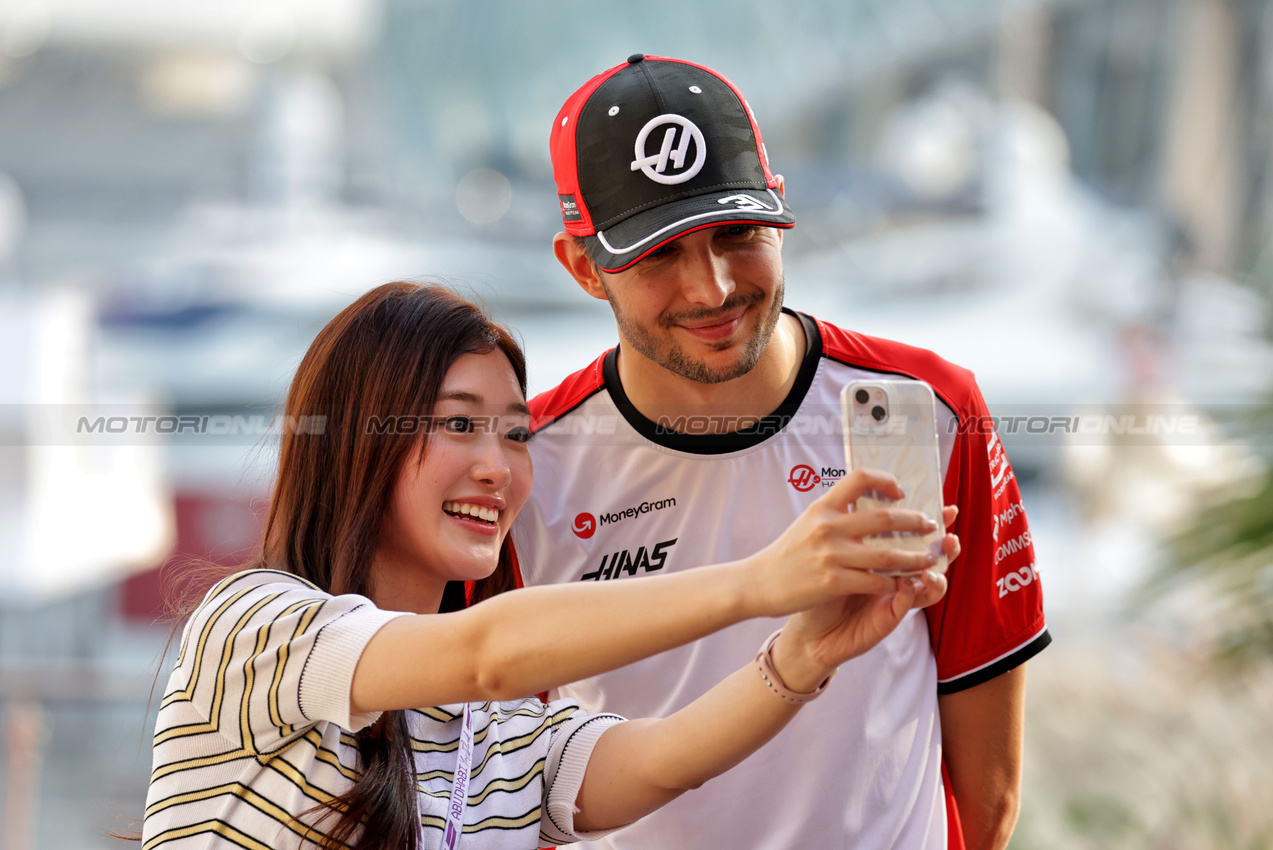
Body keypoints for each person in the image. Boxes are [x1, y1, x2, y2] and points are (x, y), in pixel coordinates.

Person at [141, 282, 955, 850]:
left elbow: (665, 758)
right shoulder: (250, 625)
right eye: (460, 426)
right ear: (358, 438)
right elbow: (487, 655)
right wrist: (757, 582)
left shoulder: (492, 735)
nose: (499, 468)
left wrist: (805, 653)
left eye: (516, 432)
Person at [511, 55, 1051, 850]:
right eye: (657, 253)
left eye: (737, 234)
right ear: (583, 267)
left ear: (778, 209)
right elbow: (504, 787)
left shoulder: (933, 408)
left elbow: (989, 792)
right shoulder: (524, 466)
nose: (712, 287)